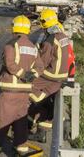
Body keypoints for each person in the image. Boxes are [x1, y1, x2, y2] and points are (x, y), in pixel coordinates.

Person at [0, 15, 43, 155]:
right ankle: (21, 148)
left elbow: (9, 64)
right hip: (25, 92)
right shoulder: (33, 47)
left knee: (1, 120)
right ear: (28, 29)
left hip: (10, 91)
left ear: (14, 28)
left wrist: (22, 74)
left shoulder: (11, 45)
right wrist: (31, 75)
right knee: (20, 121)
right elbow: (40, 67)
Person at [27, 9, 70, 143]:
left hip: (50, 75)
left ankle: (29, 118)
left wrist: (31, 71)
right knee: (47, 102)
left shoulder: (49, 41)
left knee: (27, 88)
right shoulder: (62, 35)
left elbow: (42, 63)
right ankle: (42, 132)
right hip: (62, 75)